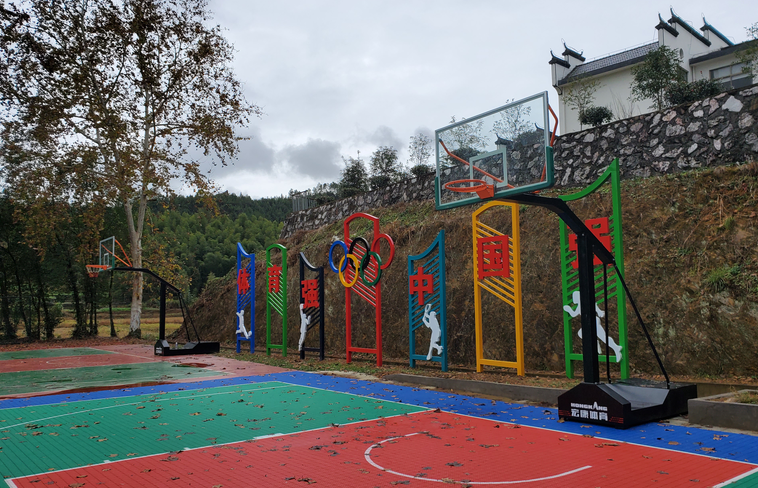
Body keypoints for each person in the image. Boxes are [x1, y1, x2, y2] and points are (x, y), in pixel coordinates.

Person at [563, 291, 622, 363]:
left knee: (603, 337)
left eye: (574, 297)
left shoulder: (585, 303)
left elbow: (594, 305)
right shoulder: (580, 305)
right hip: (588, 324)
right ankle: (596, 342)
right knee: (581, 333)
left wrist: (599, 311)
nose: (573, 299)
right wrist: (568, 309)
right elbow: (574, 314)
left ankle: (616, 348)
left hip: (593, 322)